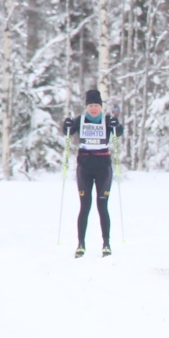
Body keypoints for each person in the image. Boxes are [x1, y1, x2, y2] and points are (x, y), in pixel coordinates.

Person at [63, 88, 123, 258]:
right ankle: (81, 244)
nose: (94, 108)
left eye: (96, 105)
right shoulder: (81, 120)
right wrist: (66, 125)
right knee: (85, 206)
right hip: (85, 167)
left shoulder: (107, 120)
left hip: (103, 167)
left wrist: (116, 125)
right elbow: (67, 131)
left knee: (102, 206)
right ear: (86, 107)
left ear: (101, 107)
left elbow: (119, 132)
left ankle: (106, 244)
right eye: (91, 106)